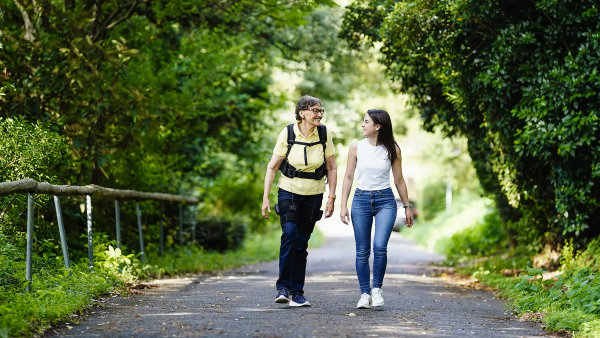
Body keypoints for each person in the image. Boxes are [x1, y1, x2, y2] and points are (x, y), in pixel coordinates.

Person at [261, 95, 337, 307]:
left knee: (302, 243)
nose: (319, 114)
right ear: (302, 112)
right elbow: (272, 166)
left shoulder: (324, 133)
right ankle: (283, 288)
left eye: (321, 110)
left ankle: (297, 293)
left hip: (314, 193)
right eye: (315, 110)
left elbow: (332, 167)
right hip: (289, 190)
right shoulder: (288, 132)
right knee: (290, 233)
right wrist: (265, 197)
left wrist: (332, 197)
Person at [339, 109, 413, 309]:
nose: (362, 125)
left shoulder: (393, 149)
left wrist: (406, 206)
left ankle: (376, 289)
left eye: (366, 122)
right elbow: (348, 177)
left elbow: (399, 180)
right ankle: (364, 294)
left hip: (385, 201)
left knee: (379, 247)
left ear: (378, 126)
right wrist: (343, 204)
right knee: (362, 251)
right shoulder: (356, 147)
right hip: (361, 200)